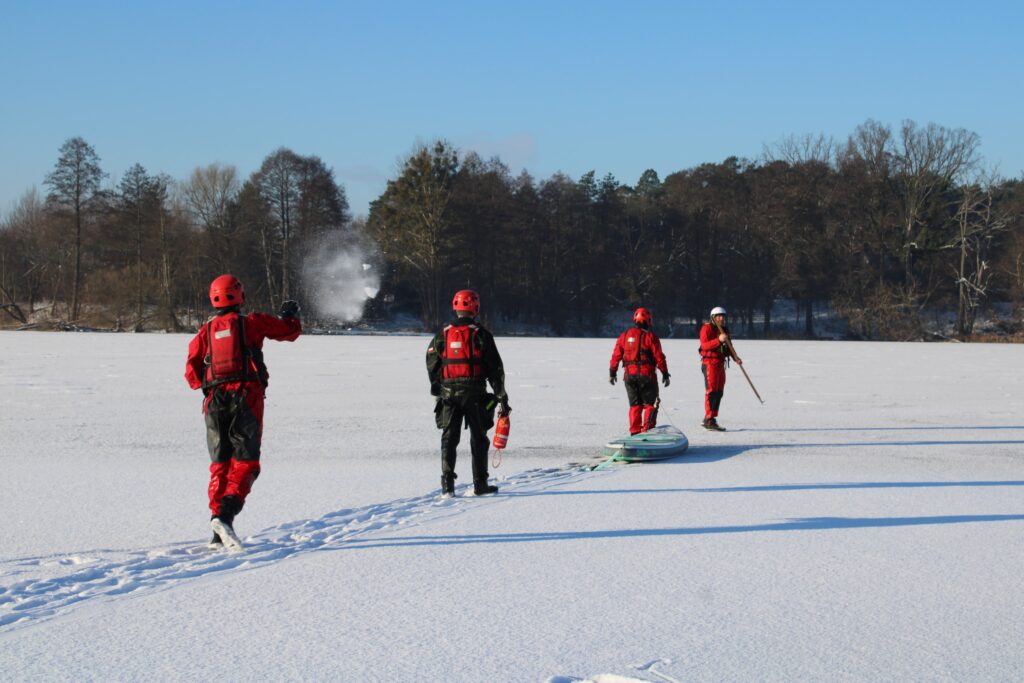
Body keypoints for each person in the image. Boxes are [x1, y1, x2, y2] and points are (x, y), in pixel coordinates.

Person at [185, 274, 302, 549]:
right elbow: (288, 332)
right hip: (245, 398)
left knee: (220, 465)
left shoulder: (204, 332)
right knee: (246, 463)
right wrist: (291, 315)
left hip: (214, 402)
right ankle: (225, 516)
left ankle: (217, 532)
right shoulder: (251, 322)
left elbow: (192, 375)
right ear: (240, 295)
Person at [426, 289, 509, 497]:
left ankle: (447, 486)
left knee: (449, 439)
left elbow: (431, 361)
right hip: (475, 395)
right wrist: (501, 396)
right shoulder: (482, 334)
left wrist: (437, 385)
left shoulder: (443, 334)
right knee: (479, 439)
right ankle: (480, 485)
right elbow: (495, 369)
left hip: (449, 395)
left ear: (455, 308)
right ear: (476, 308)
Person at [609, 307, 670, 435]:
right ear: (649, 321)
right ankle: (647, 431)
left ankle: (635, 432)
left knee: (635, 405)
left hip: (629, 377)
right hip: (647, 376)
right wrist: (664, 373)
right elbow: (659, 357)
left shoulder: (624, 336)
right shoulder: (651, 337)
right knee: (649, 405)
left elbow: (616, 355)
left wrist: (612, 372)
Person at [698, 306, 741, 431]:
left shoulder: (724, 330)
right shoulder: (706, 328)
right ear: (713, 317)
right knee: (711, 391)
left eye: (723, 316)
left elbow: (729, 346)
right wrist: (718, 340)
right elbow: (704, 346)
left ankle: (711, 417)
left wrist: (735, 357)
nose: (721, 319)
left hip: (720, 364)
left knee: (719, 391)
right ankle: (709, 419)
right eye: (719, 316)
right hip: (709, 363)